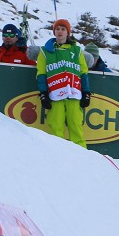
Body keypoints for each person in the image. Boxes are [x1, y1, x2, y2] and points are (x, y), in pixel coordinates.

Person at [36, 19, 90, 147]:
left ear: (68, 33)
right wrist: (43, 93)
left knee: (76, 127)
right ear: (54, 31)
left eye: (63, 29)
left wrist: (86, 92)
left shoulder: (77, 51)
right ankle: (57, 158)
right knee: (56, 128)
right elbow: (41, 74)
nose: (60, 32)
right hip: (55, 96)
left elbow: (83, 72)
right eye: (57, 29)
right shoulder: (45, 51)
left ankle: (82, 158)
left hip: (74, 95)